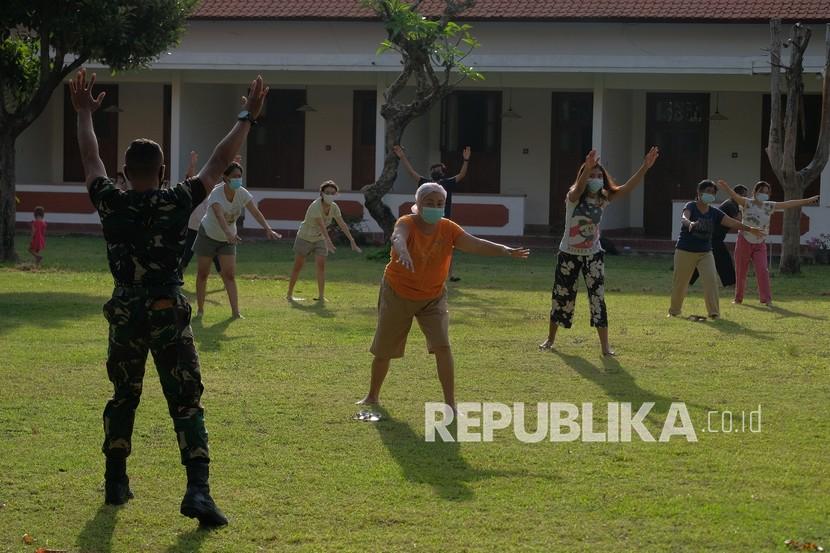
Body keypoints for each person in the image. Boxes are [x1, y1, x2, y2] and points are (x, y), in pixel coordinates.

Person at [69, 67, 269, 526]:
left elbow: (89, 157)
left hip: (124, 311)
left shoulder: (109, 200)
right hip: (166, 311)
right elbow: (219, 162)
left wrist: (84, 113)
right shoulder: (176, 200)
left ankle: (116, 481)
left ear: (124, 172)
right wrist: (246, 116)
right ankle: (198, 491)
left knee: (123, 396)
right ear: (161, 172)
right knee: (186, 400)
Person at [356, 182, 529, 410]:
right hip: (398, 292)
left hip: (433, 296)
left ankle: (450, 403)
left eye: (439, 203)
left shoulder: (448, 228)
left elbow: (475, 244)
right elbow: (398, 237)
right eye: (429, 203)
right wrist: (404, 251)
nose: (435, 207)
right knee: (384, 349)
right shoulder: (407, 222)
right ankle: (372, 396)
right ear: (417, 204)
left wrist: (503, 249)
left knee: (443, 346)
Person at [539, 147, 660, 356]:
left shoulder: (603, 199)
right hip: (568, 254)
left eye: (598, 176)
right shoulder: (573, 198)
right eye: (591, 176)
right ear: (584, 178)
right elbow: (576, 190)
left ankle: (605, 347)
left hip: (593, 256)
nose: (595, 179)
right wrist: (587, 168)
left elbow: (626, 188)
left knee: (598, 299)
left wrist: (645, 167)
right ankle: (550, 339)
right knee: (562, 296)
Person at [193, 161, 281, 319]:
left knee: (230, 275)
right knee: (203, 274)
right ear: (225, 177)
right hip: (208, 235)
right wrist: (228, 233)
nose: (238, 180)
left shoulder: (242, 193)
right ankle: (200, 310)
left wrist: (267, 228)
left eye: (240, 177)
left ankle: (235, 313)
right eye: (234, 177)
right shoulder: (216, 193)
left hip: (229, 238)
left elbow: (255, 212)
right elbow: (220, 217)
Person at [669, 179, 766, 319]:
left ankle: (714, 313)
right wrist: (689, 223)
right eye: (708, 191)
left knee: (711, 282)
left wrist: (750, 229)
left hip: (705, 252)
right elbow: (684, 216)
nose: (711, 194)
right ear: (699, 192)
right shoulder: (691, 205)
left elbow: (732, 222)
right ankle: (674, 311)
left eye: (713, 192)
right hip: (685, 250)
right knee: (681, 283)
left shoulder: (714, 212)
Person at [717, 179, 819, 307]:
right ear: (755, 192)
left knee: (762, 270)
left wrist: (808, 200)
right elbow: (735, 196)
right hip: (744, 241)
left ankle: (766, 299)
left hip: (760, 244)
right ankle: (738, 298)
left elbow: (789, 203)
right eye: (761, 191)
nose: (764, 194)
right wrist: (726, 188)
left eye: (766, 192)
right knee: (741, 271)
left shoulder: (769, 205)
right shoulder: (747, 203)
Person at [393, 144, 471, 282]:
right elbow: (411, 173)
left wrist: (466, 160)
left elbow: (462, 174)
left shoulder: (447, 183)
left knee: (447, 248)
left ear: (443, 171)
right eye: (434, 168)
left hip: (443, 220)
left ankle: (449, 274)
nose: (437, 170)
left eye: (439, 168)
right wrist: (402, 157)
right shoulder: (425, 184)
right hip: (425, 221)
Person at [286, 180, 362, 302]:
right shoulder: (315, 206)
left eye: (333, 193)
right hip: (305, 237)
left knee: (321, 266)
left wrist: (352, 240)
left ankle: (321, 296)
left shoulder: (334, 207)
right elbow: (321, 225)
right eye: (327, 192)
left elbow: (342, 224)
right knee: (298, 266)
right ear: (321, 193)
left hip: (319, 238)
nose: (330, 195)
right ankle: (289, 294)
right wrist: (329, 242)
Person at [689, 184, 748, 287]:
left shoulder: (733, 204)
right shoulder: (731, 204)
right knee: (724, 259)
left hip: (714, 237)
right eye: (743, 195)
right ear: (736, 195)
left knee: (704, 260)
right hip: (713, 237)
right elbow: (739, 220)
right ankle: (731, 283)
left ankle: (687, 280)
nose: (745, 198)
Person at [179, 151, 221, 274]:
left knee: (215, 255)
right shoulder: (193, 190)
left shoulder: (213, 190)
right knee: (187, 254)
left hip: (207, 227)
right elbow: (189, 177)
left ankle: (225, 277)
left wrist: (233, 164)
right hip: (193, 227)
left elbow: (225, 183)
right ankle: (178, 276)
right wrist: (192, 164)